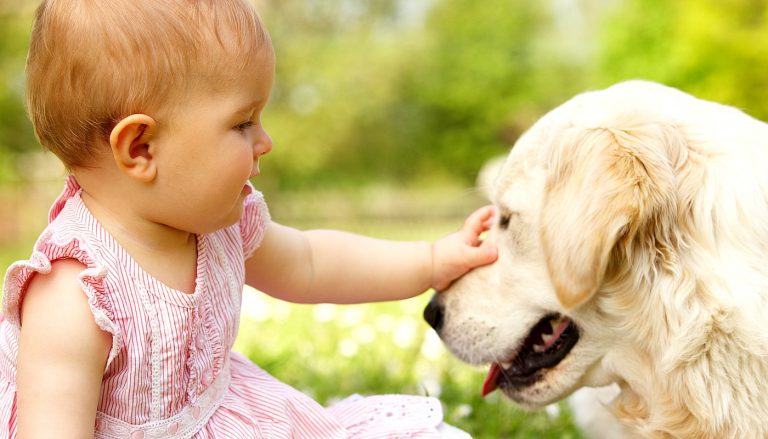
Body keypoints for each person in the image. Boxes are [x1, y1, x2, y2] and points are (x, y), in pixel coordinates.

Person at [0, 1, 498, 438]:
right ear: (140, 148)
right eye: (243, 122)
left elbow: (310, 262)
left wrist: (431, 260)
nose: (265, 141)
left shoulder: (220, 223)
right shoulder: (75, 293)